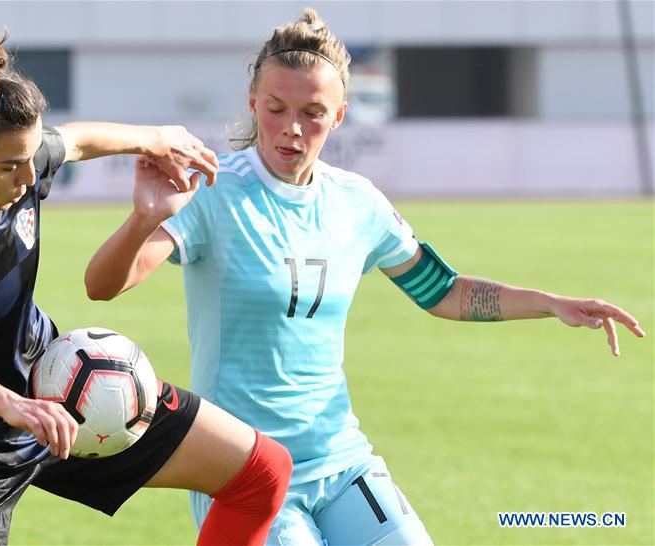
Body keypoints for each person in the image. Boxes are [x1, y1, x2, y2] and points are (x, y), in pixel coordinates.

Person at [84, 9, 646, 546]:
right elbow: (103, 285)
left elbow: (442, 291)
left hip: (342, 462)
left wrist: (550, 303)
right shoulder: (214, 189)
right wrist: (143, 220)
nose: (292, 128)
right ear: (253, 103)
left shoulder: (358, 202)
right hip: (245, 470)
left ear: (339, 116)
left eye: (313, 113)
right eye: (276, 108)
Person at [0, 28, 292, 546]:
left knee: (261, 472)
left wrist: (153, 138)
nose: (31, 178)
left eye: (33, 157)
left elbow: (76, 140)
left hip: (63, 391)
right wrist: (11, 405)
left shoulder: (16, 159)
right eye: (11, 166)